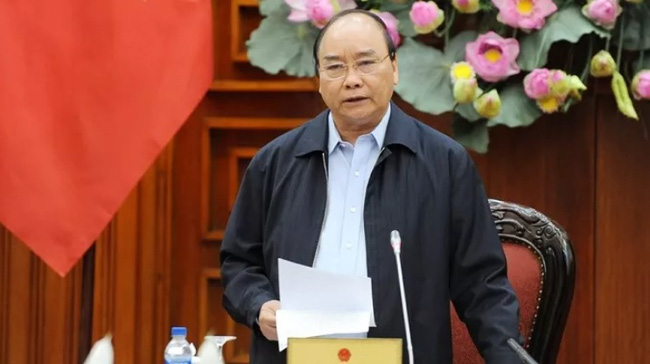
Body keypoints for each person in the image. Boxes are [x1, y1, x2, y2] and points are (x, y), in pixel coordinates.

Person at [220, 9, 522, 364]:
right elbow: (238, 263)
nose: (351, 80)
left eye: (366, 63)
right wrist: (259, 305)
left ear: (394, 68)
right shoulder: (275, 163)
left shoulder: (445, 164)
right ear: (318, 78)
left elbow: (483, 286)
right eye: (334, 67)